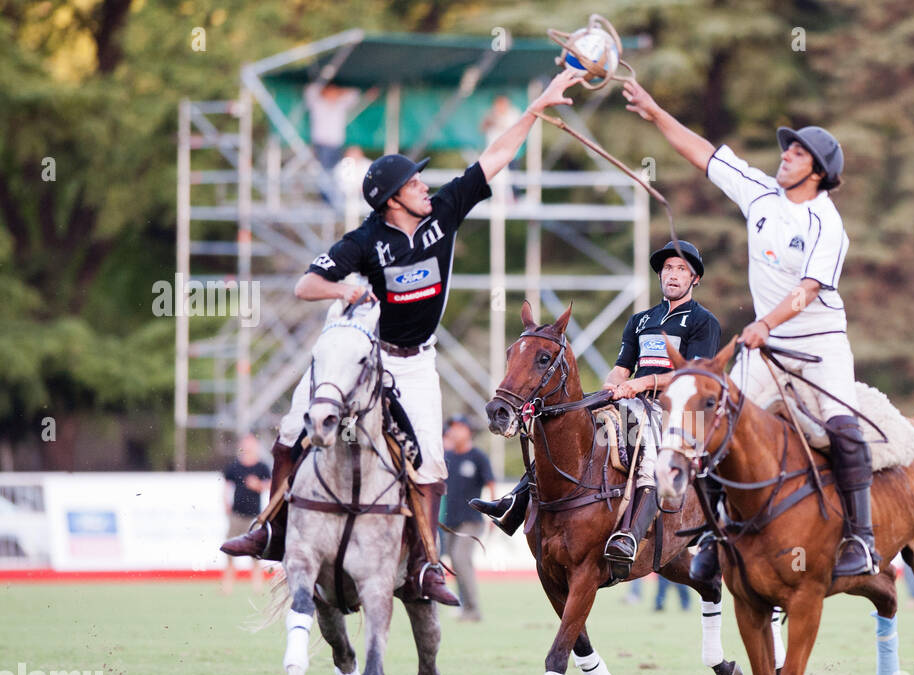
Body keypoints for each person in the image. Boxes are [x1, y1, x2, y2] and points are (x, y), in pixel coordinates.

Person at [220, 68, 586, 606]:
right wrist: (343, 291)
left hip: (416, 363)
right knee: (293, 425)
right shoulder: (365, 239)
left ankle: (427, 563)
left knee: (431, 461)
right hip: (366, 355)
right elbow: (305, 285)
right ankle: (271, 530)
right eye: (414, 183)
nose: (424, 186)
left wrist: (536, 108)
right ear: (393, 199)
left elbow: (496, 157)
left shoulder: (444, 212)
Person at [622, 77, 879, 580]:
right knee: (708, 421)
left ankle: (861, 539)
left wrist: (766, 322)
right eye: (788, 149)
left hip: (820, 345)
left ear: (818, 172)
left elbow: (808, 290)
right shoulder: (760, 193)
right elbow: (702, 154)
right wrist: (653, 110)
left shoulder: (826, 223)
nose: (785, 156)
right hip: (765, 347)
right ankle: (714, 533)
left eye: (797, 153)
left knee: (844, 431)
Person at [470, 239, 721, 570]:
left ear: (694, 278)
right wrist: (610, 387)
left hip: (675, 411)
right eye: (668, 268)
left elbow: (692, 377)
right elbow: (621, 368)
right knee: (569, 429)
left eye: (681, 270)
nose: (672, 275)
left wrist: (641, 384)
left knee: (644, 444)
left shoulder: (704, 321)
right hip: (633, 403)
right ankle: (515, 501)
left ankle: (630, 535)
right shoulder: (640, 320)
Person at [441, 415, 495, 621]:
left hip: (471, 520)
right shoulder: (448, 457)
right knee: (455, 561)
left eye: (458, 428)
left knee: (461, 558)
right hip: (450, 521)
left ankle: (473, 609)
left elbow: (491, 484)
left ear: (468, 431)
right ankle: (464, 606)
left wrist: (494, 514)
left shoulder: (478, 457)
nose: (453, 432)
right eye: (452, 428)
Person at [221, 434, 271, 595]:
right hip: (236, 515)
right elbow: (226, 486)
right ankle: (227, 586)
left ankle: (257, 587)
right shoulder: (234, 467)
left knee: (256, 553)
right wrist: (226, 504)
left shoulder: (262, 467)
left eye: (251, 444)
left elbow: (270, 485)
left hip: (254, 517)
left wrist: (258, 485)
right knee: (230, 551)